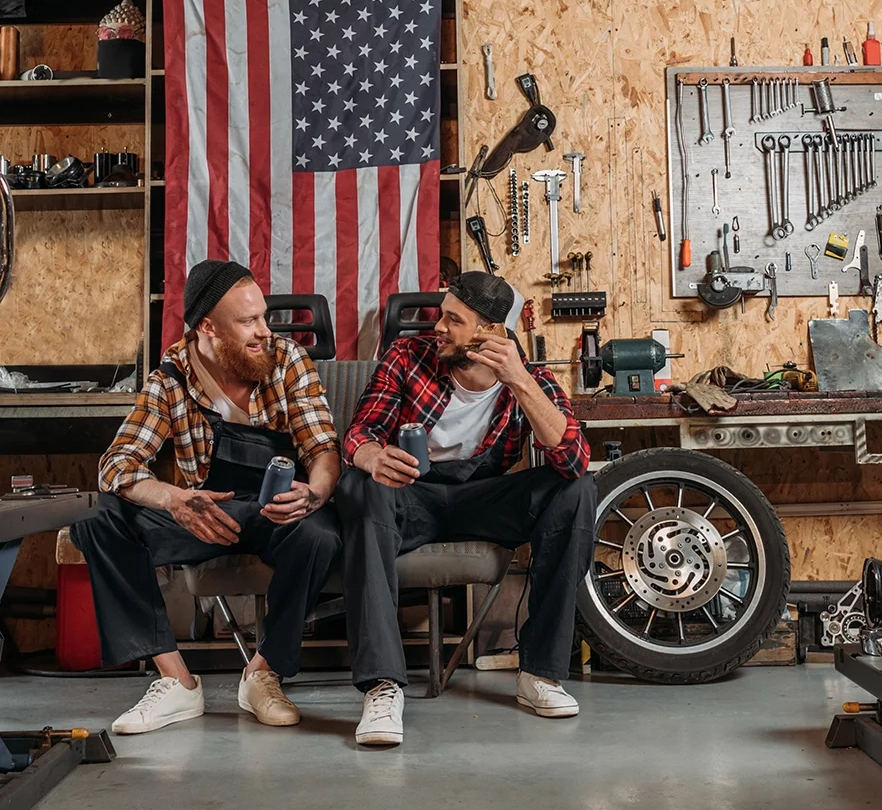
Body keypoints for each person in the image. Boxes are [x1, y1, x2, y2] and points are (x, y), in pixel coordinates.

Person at [71, 260, 342, 734]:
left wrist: (315, 493)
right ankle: (177, 681)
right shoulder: (170, 379)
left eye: (263, 317)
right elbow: (116, 465)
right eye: (248, 321)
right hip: (206, 514)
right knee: (95, 518)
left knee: (319, 535)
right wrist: (173, 499)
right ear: (208, 328)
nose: (264, 331)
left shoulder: (286, 360)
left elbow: (322, 448)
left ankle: (262, 674)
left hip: (279, 514)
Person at [336, 271, 596, 747]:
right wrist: (372, 456)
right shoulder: (407, 356)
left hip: (482, 498)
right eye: (442, 315)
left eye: (453, 320)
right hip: (411, 496)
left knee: (575, 490)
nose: (437, 327)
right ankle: (382, 686)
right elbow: (360, 433)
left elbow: (573, 458)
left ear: (492, 333)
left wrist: (519, 380)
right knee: (359, 482)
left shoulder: (531, 380)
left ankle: (539, 673)